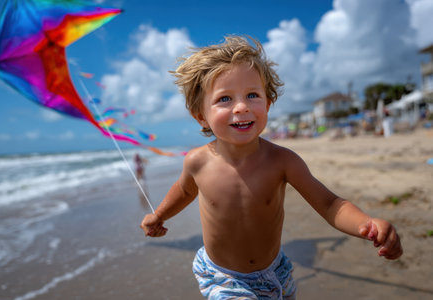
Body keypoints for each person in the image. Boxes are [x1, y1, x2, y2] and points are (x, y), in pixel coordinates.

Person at [140, 36, 402, 299]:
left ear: (267, 103)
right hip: (222, 276)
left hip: (276, 272)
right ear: (201, 116)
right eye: (225, 99)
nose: (241, 107)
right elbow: (185, 192)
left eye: (252, 95)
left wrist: (366, 224)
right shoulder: (197, 162)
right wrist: (160, 215)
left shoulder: (282, 161)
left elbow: (329, 204)